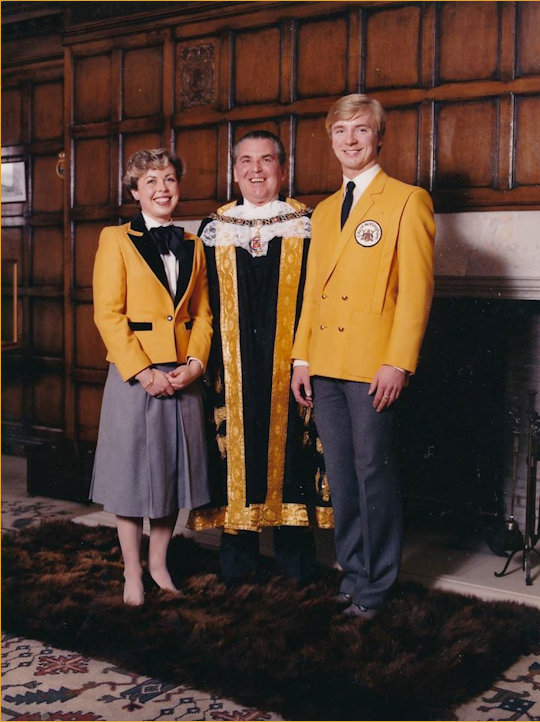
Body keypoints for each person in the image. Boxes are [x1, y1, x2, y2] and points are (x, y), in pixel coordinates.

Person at [291, 95, 435, 620]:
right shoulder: (325, 211)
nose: (350, 140)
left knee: (373, 471)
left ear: (379, 138)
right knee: (342, 475)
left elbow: (416, 293)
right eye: (340, 131)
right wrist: (300, 358)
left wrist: (398, 361)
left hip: (374, 364)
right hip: (325, 362)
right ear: (330, 140)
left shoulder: (407, 200)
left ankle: (376, 585)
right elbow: (312, 291)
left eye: (361, 130)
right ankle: (352, 575)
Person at [187, 130, 332, 584]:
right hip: (230, 367)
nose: (256, 170)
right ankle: (238, 571)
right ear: (234, 171)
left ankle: (297, 571)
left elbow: (320, 297)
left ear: (283, 169)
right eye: (246, 161)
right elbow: (201, 305)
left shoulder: (307, 224)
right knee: (236, 458)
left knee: (289, 454)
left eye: (266, 160)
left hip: (290, 366)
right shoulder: (214, 229)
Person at [90, 148, 213, 606]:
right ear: (135, 191)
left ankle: (159, 564)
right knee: (131, 477)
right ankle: (132, 571)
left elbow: (203, 315)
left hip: (182, 376)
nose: (162, 188)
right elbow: (108, 315)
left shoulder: (194, 242)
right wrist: (143, 372)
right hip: (134, 376)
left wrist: (195, 365)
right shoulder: (115, 239)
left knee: (172, 475)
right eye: (151, 181)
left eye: (169, 179)